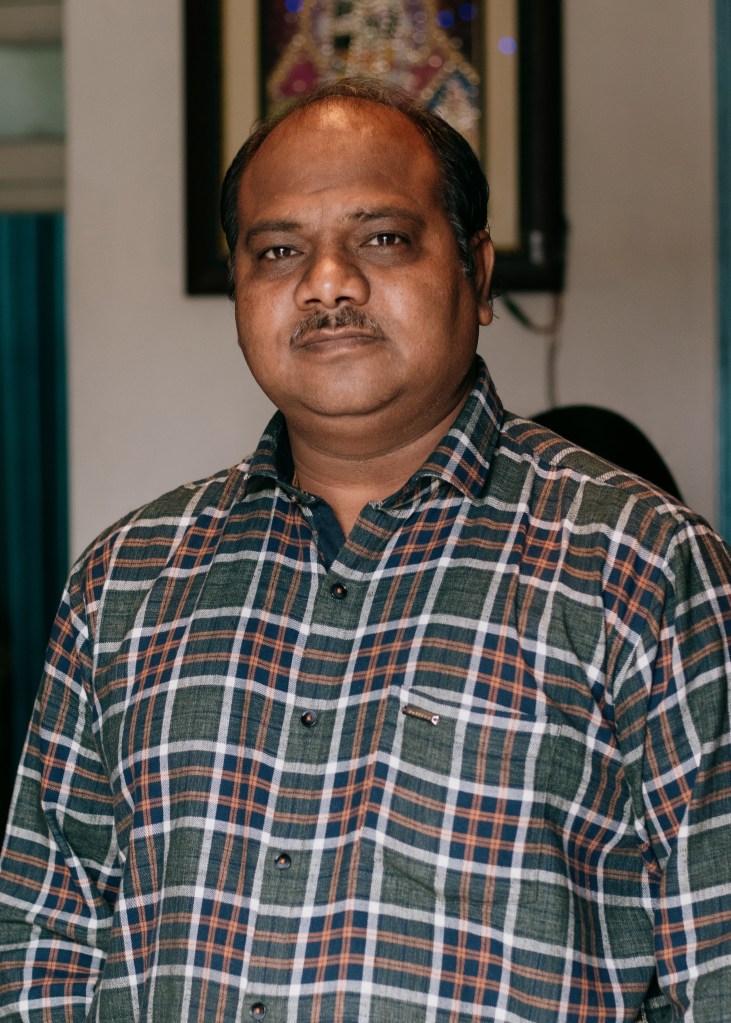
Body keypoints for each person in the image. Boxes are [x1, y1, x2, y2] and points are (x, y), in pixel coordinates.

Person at [0, 77, 729, 1022]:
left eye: (381, 239)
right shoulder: (127, 579)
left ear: (477, 271)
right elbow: (44, 938)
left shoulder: (643, 565)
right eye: (278, 251)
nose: (327, 284)